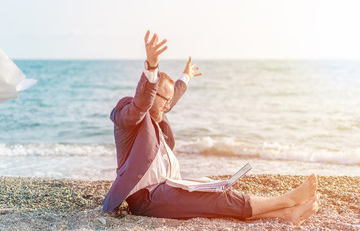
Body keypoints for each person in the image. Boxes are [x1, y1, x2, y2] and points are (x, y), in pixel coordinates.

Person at [102, 30, 320, 225]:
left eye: (170, 101)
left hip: (169, 186)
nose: (168, 105)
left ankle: (286, 214)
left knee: (215, 194)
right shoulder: (129, 113)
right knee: (215, 200)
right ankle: (287, 199)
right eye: (164, 99)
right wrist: (151, 67)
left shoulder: (159, 110)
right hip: (146, 197)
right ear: (151, 94)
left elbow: (171, 95)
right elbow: (143, 103)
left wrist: (185, 77)